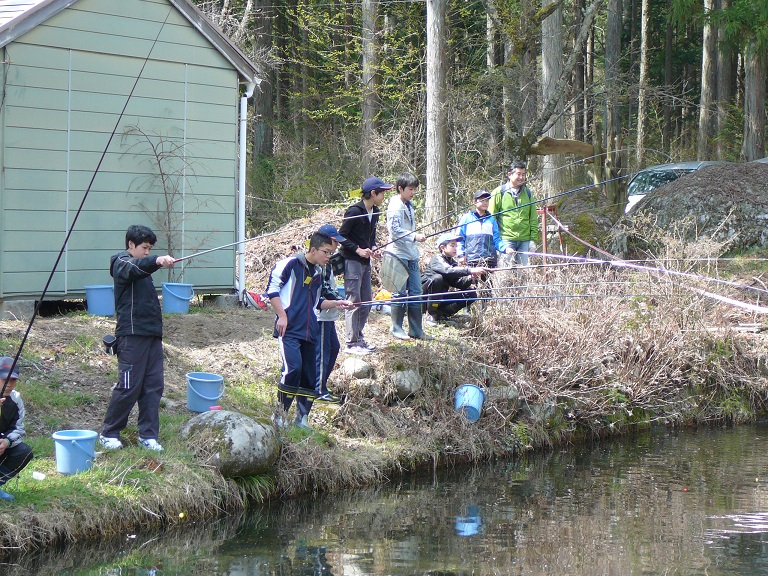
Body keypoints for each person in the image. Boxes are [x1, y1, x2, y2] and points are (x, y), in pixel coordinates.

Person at [100, 225, 175, 452]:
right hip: (131, 336)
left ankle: (148, 436)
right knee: (128, 386)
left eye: (150, 248)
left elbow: (143, 267)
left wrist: (155, 263)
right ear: (131, 245)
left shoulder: (143, 270)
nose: (146, 252)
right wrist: (157, 261)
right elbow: (137, 266)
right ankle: (109, 433)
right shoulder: (121, 263)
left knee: (153, 386)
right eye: (144, 248)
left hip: (152, 335)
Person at [266, 231, 351, 429]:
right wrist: (282, 316)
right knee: (292, 369)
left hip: (310, 329)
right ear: (313, 249)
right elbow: (272, 291)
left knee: (309, 375)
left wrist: (338, 302)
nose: (329, 256)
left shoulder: (319, 272)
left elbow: (318, 302)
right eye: (327, 252)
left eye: (331, 253)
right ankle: (279, 415)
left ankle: (302, 418)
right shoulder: (289, 264)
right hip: (289, 329)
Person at [338, 176, 392, 355]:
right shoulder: (354, 211)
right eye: (382, 193)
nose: (383, 196)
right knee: (353, 301)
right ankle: (351, 343)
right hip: (352, 261)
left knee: (367, 301)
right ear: (373, 193)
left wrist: (373, 248)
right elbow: (340, 237)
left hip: (365, 262)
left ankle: (359, 338)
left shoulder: (375, 212)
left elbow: (370, 237)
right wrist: (358, 250)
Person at [385, 172, 432, 341]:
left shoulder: (409, 205)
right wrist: (414, 236)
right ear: (400, 188)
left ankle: (416, 329)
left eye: (414, 189)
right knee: (399, 292)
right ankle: (396, 328)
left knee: (416, 291)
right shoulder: (395, 205)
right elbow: (395, 230)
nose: (413, 192)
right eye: (410, 189)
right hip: (397, 253)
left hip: (412, 253)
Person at [314, 224, 346, 404]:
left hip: (329, 315)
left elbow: (336, 273)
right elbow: (324, 288)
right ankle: (318, 390)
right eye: (334, 242)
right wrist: (338, 300)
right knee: (323, 354)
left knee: (333, 348)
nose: (336, 247)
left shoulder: (328, 260)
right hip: (322, 316)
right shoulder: (321, 262)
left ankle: (321, 385)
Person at [422, 234, 483, 323]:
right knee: (437, 278)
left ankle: (442, 314)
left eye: (456, 246)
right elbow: (448, 270)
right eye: (452, 245)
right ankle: (431, 314)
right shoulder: (437, 259)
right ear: (443, 247)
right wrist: (470, 270)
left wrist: (470, 277)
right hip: (424, 298)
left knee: (470, 294)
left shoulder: (453, 262)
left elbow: (457, 282)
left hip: (440, 298)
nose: (455, 248)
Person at [488, 161, 539, 266]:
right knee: (505, 273)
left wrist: (533, 240)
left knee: (522, 273)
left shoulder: (528, 194)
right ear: (510, 174)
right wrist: (497, 242)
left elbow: (533, 218)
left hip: (525, 240)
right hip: (506, 240)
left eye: (523, 175)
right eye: (518, 174)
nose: (521, 177)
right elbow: (491, 218)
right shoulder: (499, 192)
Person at [0, 357, 33, 502]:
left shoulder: (16, 399)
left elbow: (18, 429)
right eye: (4, 379)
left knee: (24, 452)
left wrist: (6, 441)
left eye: (13, 380)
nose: (9, 384)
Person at [456, 189, 511, 268]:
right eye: (482, 200)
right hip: (472, 260)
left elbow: (496, 239)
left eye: (487, 200)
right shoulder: (466, 218)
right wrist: (461, 254)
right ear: (475, 202)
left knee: (488, 280)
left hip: (489, 260)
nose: (485, 203)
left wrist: (505, 248)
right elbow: (459, 238)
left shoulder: (492, 220)